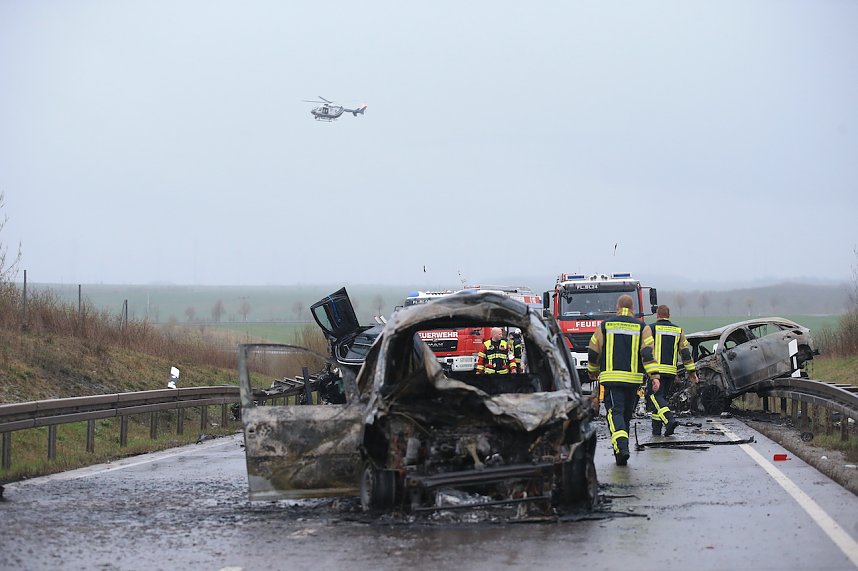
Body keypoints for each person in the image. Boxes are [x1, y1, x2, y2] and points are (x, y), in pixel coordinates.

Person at [587, 295, 659, 465]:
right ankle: (622, 451)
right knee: (626, 414)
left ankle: (621, 446)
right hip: (633, 381)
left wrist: (592, 371)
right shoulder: (643, 327)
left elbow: (593, 351)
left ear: (617, 307)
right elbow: (647, 354)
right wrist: (654, 376)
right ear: (632, 308)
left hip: (612, 380)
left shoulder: (605, 326)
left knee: (615, 413)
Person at [647, 305, 698, 436]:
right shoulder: (678, 330)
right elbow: (685, 353)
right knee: (660, 400)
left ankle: (669, 420)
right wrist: (691, 372)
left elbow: (644, 350)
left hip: (655, 371)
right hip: (670, 372)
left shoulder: (651, 328)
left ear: (657, 315)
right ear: (669, 315)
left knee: (654, 397)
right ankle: (656, 431)